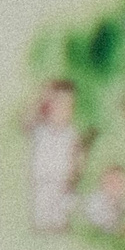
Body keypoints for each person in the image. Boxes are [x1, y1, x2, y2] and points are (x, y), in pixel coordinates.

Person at [23, 79, 89, 234]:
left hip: (62, 178)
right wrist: (40, 98)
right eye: (59, 106)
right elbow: (26, 123)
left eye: (68, 107)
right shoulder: (41, 129)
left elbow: (75, 154)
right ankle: (43, 225)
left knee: (63, 206)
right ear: (48, 107)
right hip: (43, 177)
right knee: (43, 206)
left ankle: (59, 224)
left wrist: (75, 172)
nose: (64, 111)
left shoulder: (71, 132)